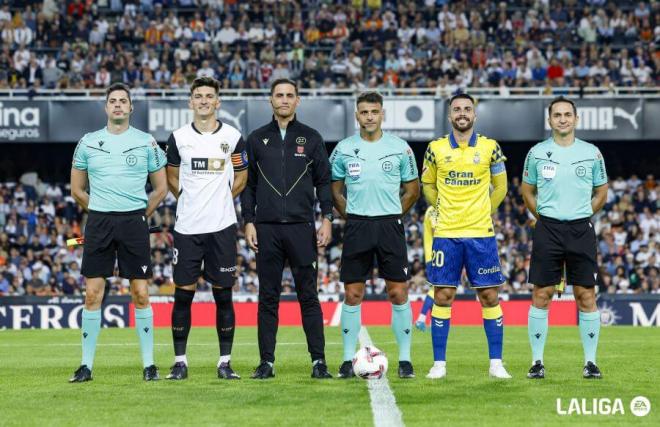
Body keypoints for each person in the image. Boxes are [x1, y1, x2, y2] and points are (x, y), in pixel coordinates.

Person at [69, 82, 168, 382]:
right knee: (91, 295)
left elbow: (161, 188)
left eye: (123, 101)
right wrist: (100, 209)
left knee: (140, 294)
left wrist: (141, 215)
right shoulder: (87, 142)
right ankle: (86, 366)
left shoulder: (146, 141)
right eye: (113, 101)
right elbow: (77, 189)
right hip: (99, 222)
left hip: (133, 222)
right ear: (106, 106)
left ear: (131, 107)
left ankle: (149, 365)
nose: (118, 106)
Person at [241, 78, 333, 379]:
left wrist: (327, 218)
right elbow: (248, 186)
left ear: (297, 100)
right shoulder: (255, 139)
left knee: (309, 295)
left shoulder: (312, 138)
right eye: (278, 95)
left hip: (301, 228)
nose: (284, 100)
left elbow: (323, 182)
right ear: (270, 100)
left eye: (289, 95)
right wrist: (249, 222)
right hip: (266, 229)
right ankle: (266, 362)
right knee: (267, 297)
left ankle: (318, 361)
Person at [421, 93, 511, 380]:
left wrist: (486, 210)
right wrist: (440, 208)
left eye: (467, 109)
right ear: (450, 116)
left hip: (480, 234)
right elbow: (428, 185)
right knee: (443, 295)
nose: (462, 113)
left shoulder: (490, 148)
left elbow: (501, 187)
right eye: (457, 109)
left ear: (475, 114)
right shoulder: (435, 149)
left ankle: (496, 363)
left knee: (489, 295)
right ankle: (439, 364)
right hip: (446, 233)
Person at [330, 91, 420, 379]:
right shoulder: (343, 149)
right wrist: (352, 215)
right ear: (357, 115)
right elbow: (334, 190)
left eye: (374, 111)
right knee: (353, 293)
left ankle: (405, 359)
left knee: (398, 291)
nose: (369, 116)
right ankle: (346, 359)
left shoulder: (400, 148)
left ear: (382, 114)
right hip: (357, 226)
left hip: (389, 227)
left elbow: (413, 190)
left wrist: (394, 213)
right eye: (364, 112)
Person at [164, 77, 248, 380]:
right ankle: (180, 362)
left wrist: (224, 198)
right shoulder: (178, 137)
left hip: (222, 227)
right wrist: (186, 198)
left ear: (217, 102)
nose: (203, 100)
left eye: (208, 96)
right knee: (182, 296)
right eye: (198, 96)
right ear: (190, 102)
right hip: (187, 228)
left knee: (223, 296)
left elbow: (242, 175)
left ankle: (224, 362)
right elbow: (172, 177)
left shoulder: (234, 136)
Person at [521, 96, 609, 379]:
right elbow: (527, 192)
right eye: (557, 115)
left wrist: (582, 214)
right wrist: (546, 217)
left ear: (576, 119)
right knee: (542, 294)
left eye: (567, 114)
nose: (562, 119)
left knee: (585, 294)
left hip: (581, 229)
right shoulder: (536, 152)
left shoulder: (592, 153)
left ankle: (591, 362)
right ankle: (537, 362)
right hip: (548, 229)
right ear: (549, 120)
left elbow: (601, 192)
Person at [414, 206, 438, 332]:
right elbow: (436, 231)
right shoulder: (434, 209)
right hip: (436, 256)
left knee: (437, 289)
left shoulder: (429, 209)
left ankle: (433, 322)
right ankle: (421, 319)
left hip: (432, 256)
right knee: (436, 288)